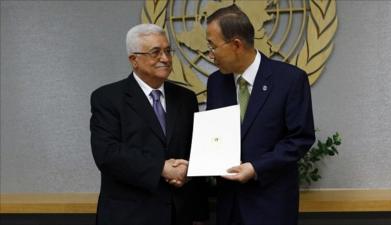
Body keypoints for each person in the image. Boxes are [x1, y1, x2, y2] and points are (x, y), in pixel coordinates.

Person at [205, 5, 315, 225]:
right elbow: (214, 135)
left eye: (212, 46)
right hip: (229, 206)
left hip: (270, 205)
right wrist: (197, 161)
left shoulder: (290, 80)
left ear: (236, 44)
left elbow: (300, 138)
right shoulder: (216, 82)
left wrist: (255, 167)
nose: (210, 55)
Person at [90, 24, 208, 225]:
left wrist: (188, 172)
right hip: (129, 215)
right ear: (134, 60)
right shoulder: (107, 98)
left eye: (167, 51)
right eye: (156, 52)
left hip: (179, 214)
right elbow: (107, 154)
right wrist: (161, 168)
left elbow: (194, 148)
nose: (165, 58)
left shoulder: (186, 98)